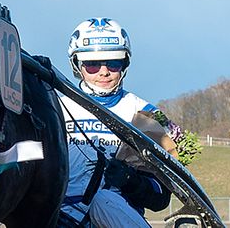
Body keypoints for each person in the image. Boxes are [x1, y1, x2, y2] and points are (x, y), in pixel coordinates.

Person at [57, 17, 172, 227]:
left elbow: (162, 198)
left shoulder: (148, 116)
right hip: (60, 217)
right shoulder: (55, 108)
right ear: (77, 64)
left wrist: (131, 181)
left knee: (103, 201)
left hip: (116, 215)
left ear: (125, 62)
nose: (104, 71)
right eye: (92, 64)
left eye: (113, 62)